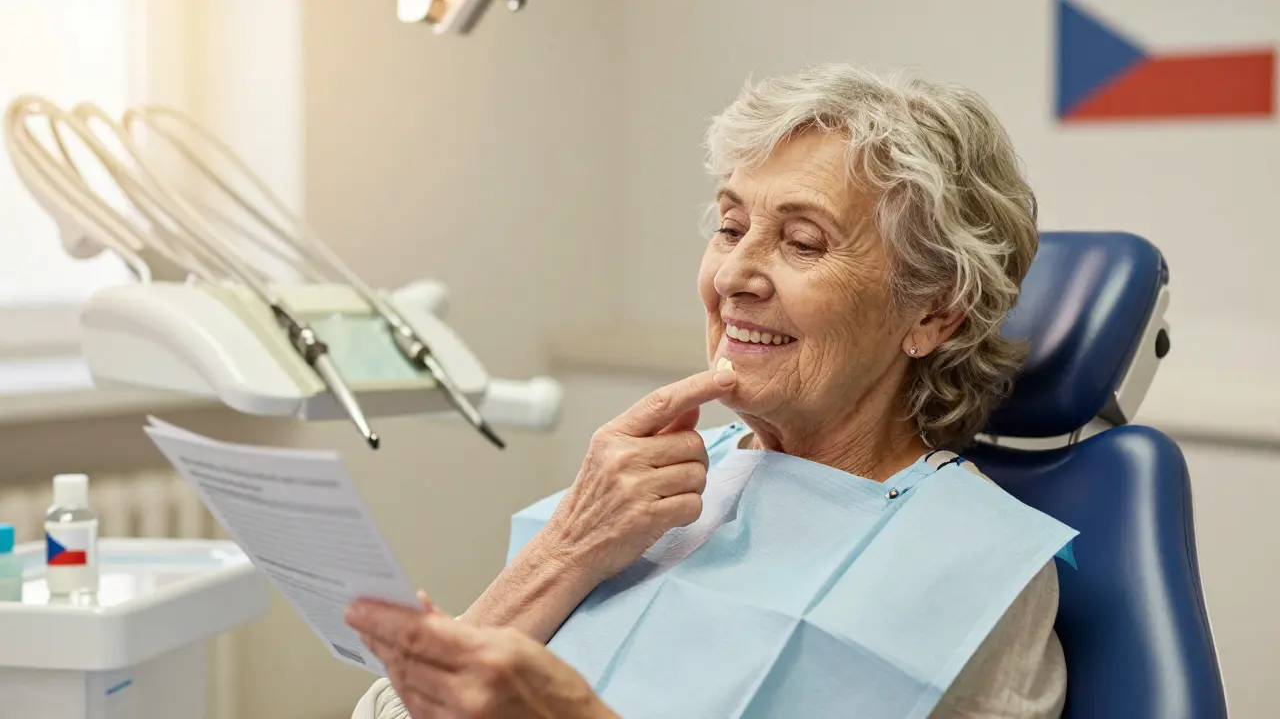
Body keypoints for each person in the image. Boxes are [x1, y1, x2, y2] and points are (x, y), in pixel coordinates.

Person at [347, 63, 1074, 719]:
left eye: (803, 242)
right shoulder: (636, 491)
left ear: (933, 312)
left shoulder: (980, 568)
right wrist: (567, 547)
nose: (733, 276)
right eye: (731, 227)